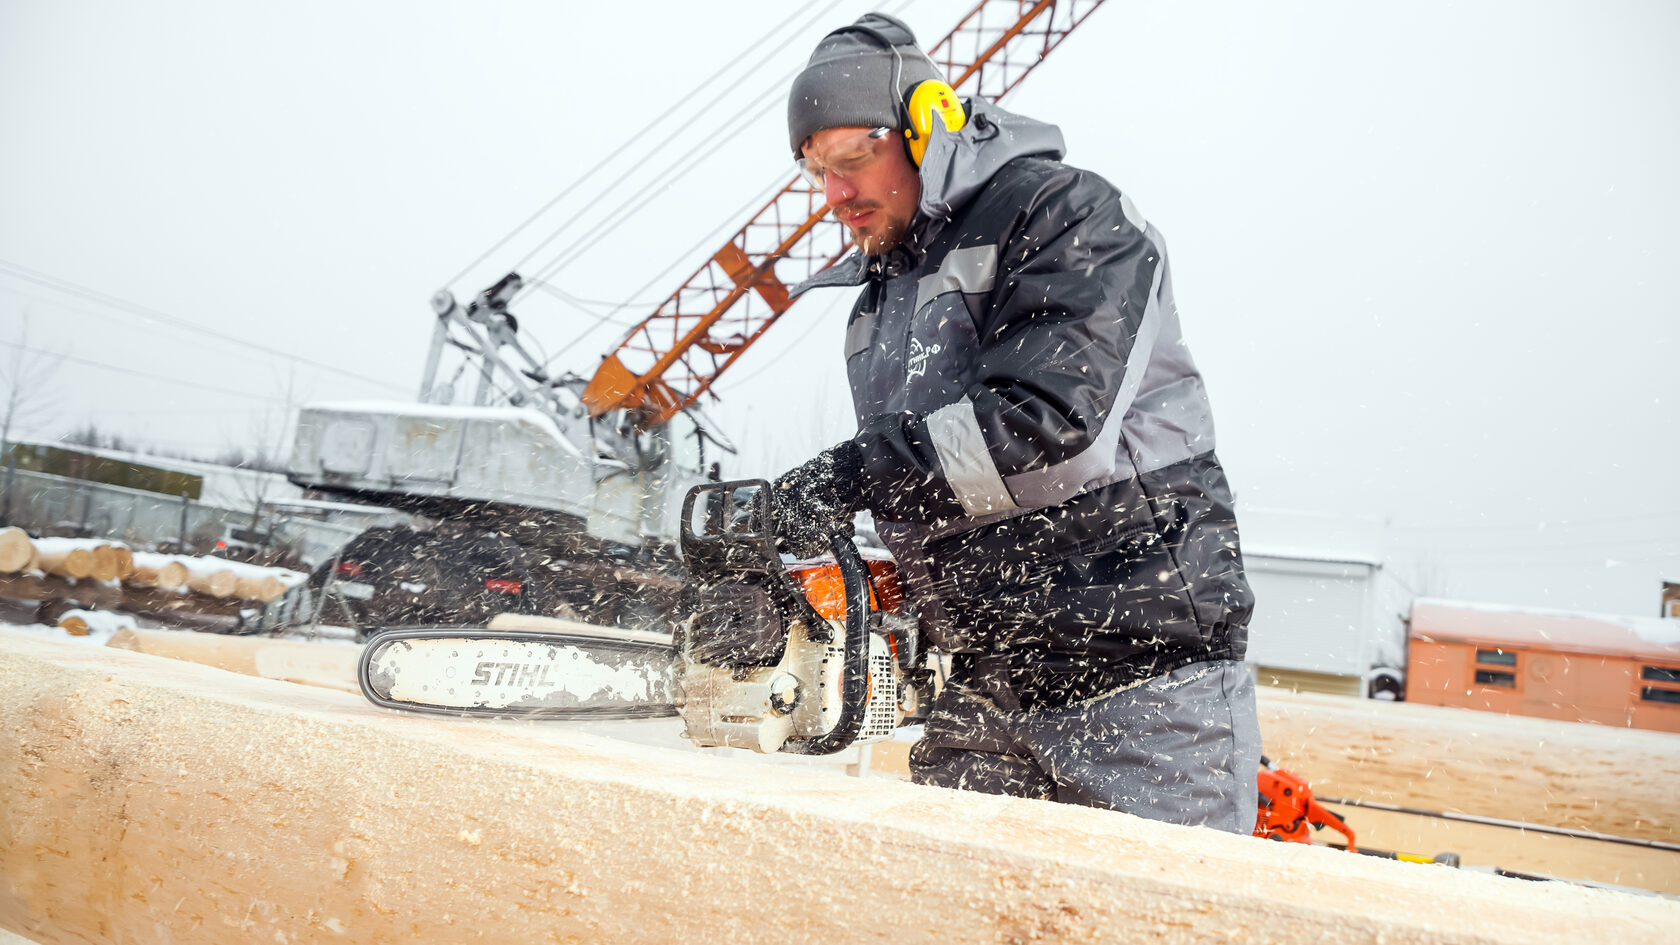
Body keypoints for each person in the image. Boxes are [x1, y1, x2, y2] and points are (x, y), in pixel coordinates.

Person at [770, 12, 1260, 834]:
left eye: (852, 158)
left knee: (1160, 915)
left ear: (926, 126)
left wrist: (849, 476)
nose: (836, 193)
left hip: (1139, 687)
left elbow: (1048, 430)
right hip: (980, 690)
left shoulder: (1070, 217)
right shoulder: (879, 303)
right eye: (818, 171)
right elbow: (934, 500)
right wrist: (806, 583)